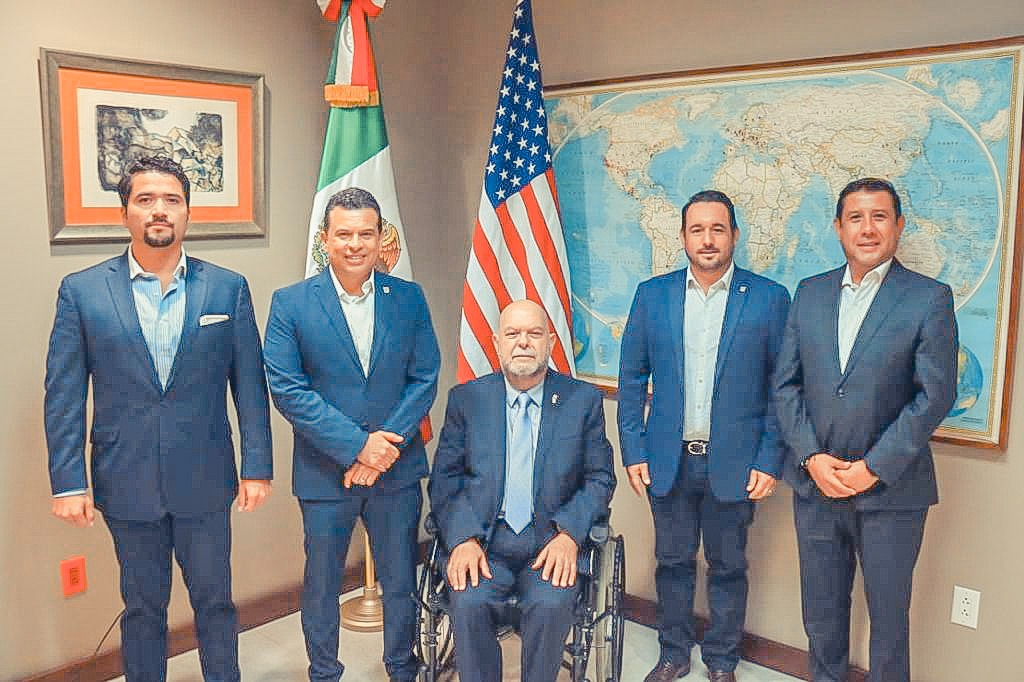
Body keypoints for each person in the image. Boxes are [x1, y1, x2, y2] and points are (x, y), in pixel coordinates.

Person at [44, 155, 274, 682]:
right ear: (124, 212)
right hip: (126, 480)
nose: (159, 210)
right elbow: (63, 394)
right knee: (143, 607)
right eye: (145, 199)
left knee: (216, 602)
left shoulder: (227, 288)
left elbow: (250, 385)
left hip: (206, 478)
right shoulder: (82, 291)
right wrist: (68, 482)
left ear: (188, 211)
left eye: (172, 199)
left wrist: (257, 465)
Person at [773, 177, 958, 682]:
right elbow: (786, 385)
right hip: (816, 485)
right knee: (821, 615)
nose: (868, 228)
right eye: (856, 217)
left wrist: (872, 467)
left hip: (891, 492)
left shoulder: (928, 298)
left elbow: (935, 396)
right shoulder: (809, 293)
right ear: (839, 227)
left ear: (898, 226)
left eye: (879, 217)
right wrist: (811, 457)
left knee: (889, 623)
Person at [263, 187, 440, 682]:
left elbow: (424, 377)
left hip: (396, 470)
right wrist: (358, 447)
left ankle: (402, 668)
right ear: (325, 239)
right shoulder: (291, 303)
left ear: (381, 238)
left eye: (366, 233)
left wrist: (382, 448)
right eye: (344, 234)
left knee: (401, 581)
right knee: (321, 584)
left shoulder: (408, 298)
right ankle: (324, 672)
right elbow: (288, 389)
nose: (355, 244)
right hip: (325, 473)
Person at [618, 190, 790, 682]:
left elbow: (782, 387)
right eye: (697, 229)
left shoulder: (769, 298)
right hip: (668, 459)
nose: (708, 239)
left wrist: (769, 458)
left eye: (718, 229)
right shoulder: (653, 295)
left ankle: (721, 660)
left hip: (735, 462)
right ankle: (673, 653)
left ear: (734, 235)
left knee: (728, 567)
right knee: (672, 562)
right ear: (683, 237)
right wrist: (634, 449)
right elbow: (632, 378)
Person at [429, 299, 616, 682]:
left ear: (550, 342)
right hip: (484, 542)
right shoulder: (467, 400)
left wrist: (570, 535)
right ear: (497, 342)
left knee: (550, 604)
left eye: (534, 333)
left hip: (550, 542)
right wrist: (462, 538)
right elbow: (445, 480)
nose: (523, 342)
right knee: (468, 599)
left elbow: (600, 478)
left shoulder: (582, 401)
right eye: (513, 334)